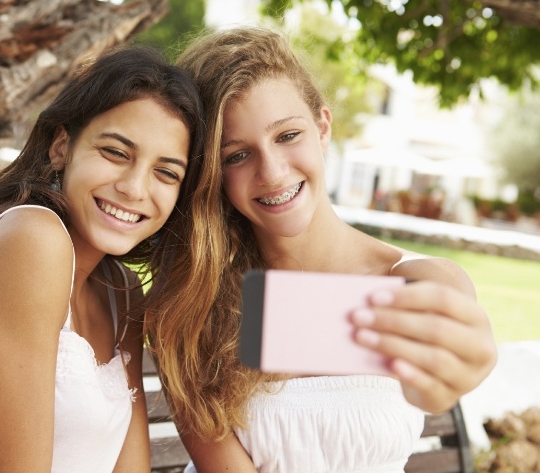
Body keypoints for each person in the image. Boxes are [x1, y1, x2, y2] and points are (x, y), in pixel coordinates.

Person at [143, 26, 497, 472]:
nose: (272, 173)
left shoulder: (415, 281)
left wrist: (459, 363)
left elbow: (434, 391)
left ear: (322, 127)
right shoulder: (195, 302)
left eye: (287, 136)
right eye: (236, 155)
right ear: (213, 172)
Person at [0, 44, 205, 473]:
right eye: (116, 152)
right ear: (61, 147)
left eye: (166, 172)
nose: (135, 188)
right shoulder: (29, 241)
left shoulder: (123, 295)